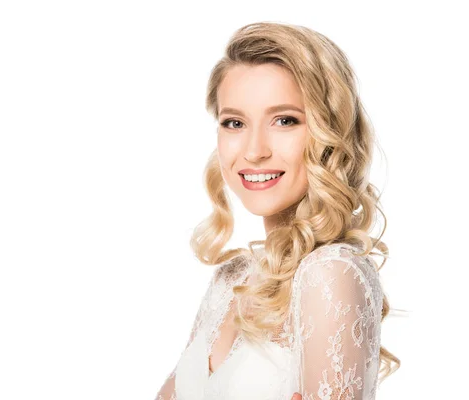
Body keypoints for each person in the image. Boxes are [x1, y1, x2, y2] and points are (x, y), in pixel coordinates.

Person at [154, 21, 400, 400]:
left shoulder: (330, 273)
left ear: (327, 132)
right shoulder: (232, 279)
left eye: (284, 120)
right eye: (234, 123)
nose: (254, 150)